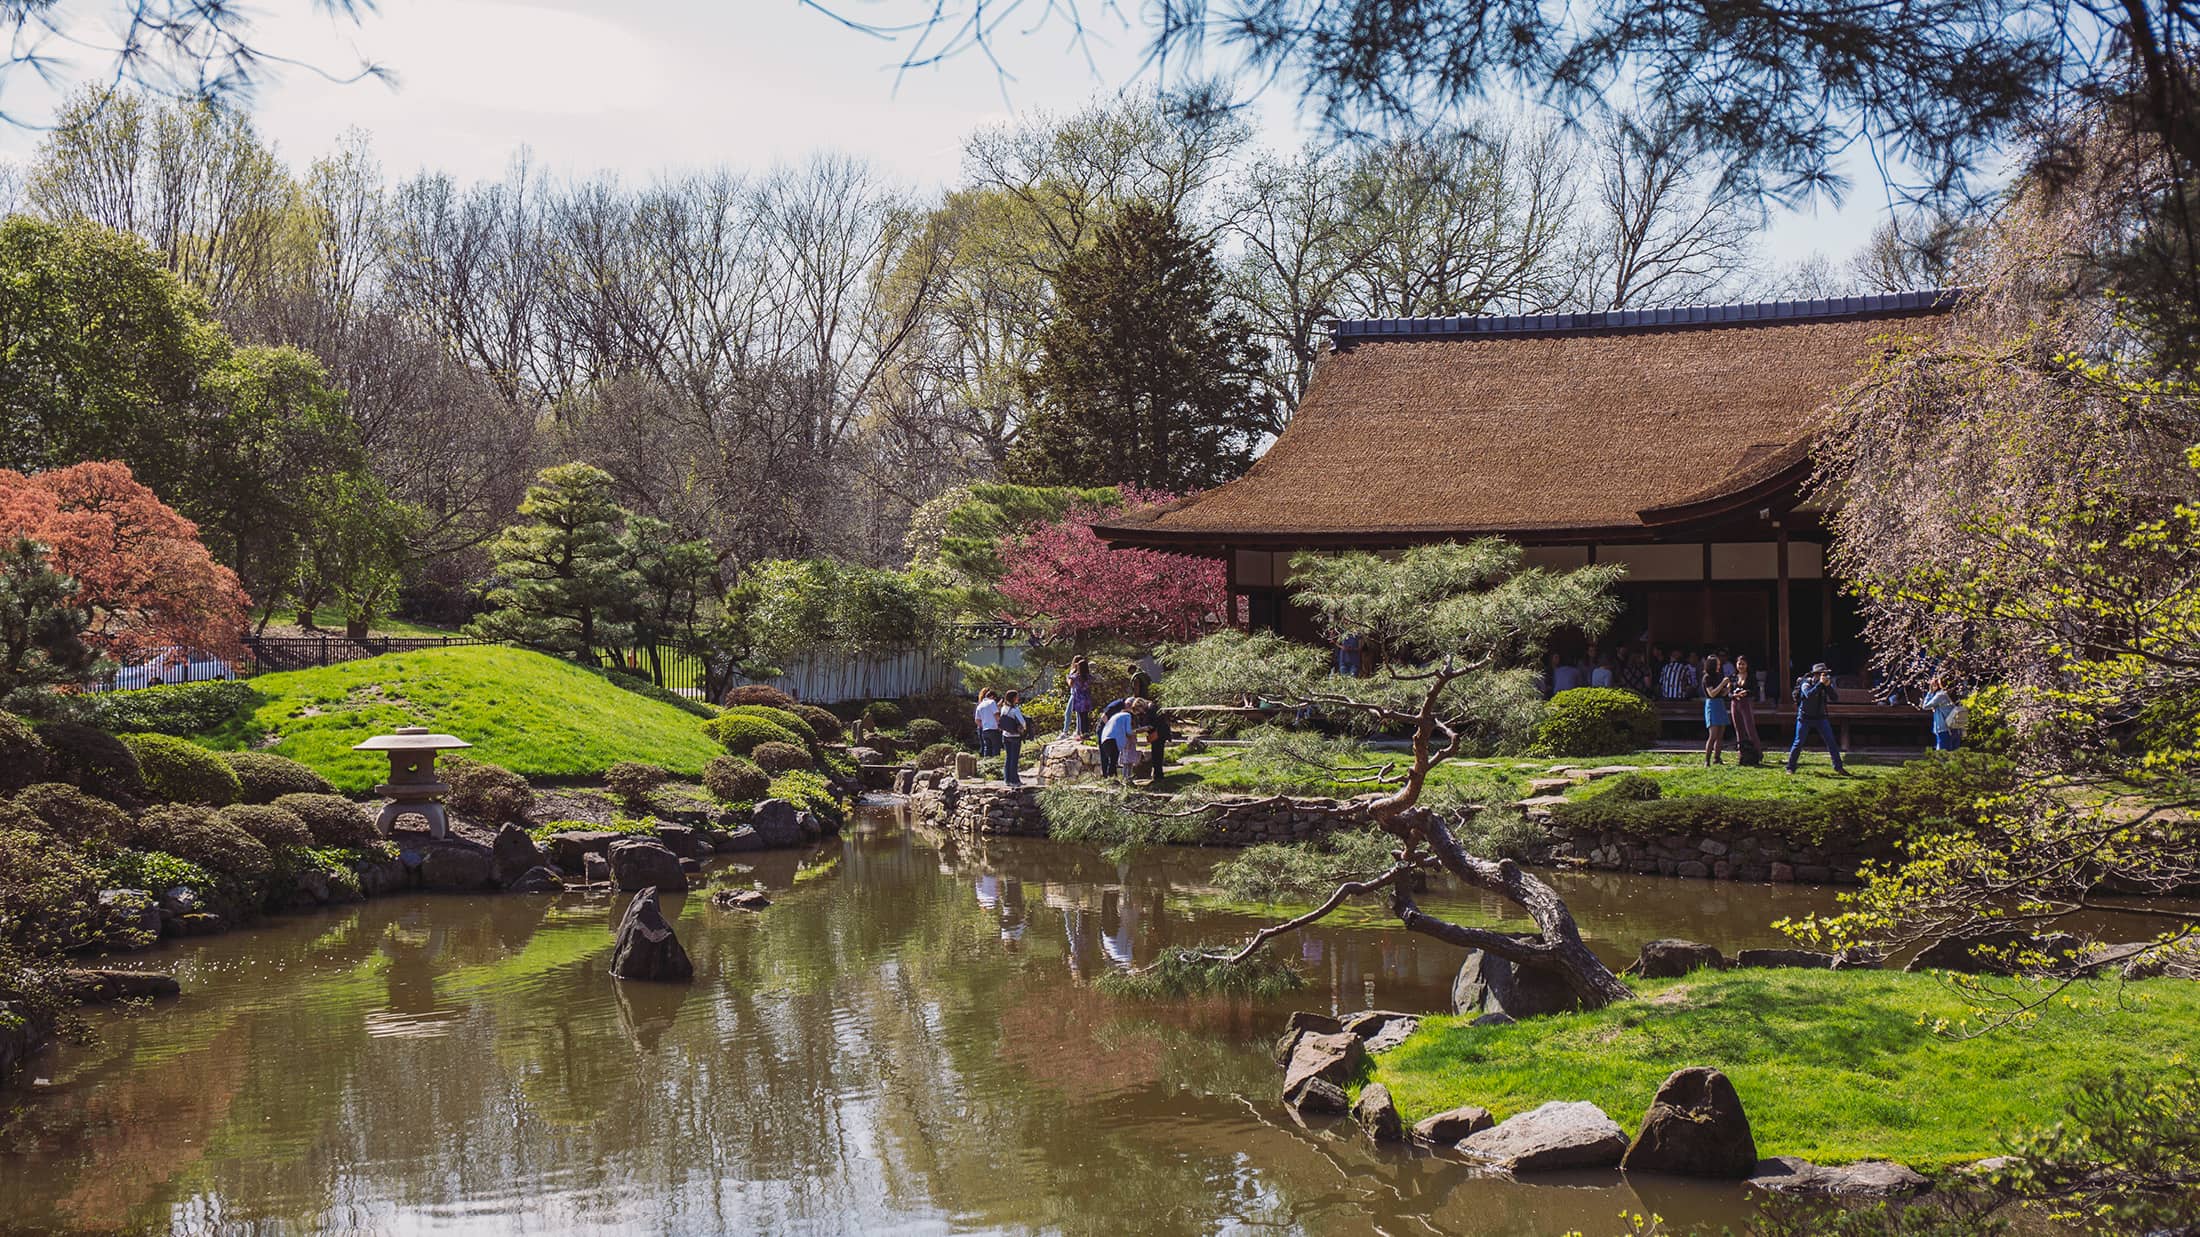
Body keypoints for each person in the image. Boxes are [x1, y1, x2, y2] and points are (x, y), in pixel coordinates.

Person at [1786, 662, 1848, 774]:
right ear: (1815, 674)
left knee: (1831, 741)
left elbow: (1834, 698)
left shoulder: (1825, 684)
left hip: (1820, 717)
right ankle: (1790, 767)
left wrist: (1828, 686)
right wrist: (1820, 684)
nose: (1824, 676)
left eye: (1825, 674)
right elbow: (1809, 695)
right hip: (1804, 717)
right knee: (1798, 742)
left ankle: (1838, 767)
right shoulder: (1806, 683)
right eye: (1821, 674)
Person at [1730, 654, 1763, 760]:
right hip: (1735, 703)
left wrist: (1746, 692)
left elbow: (1755, 691)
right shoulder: (1733, 677)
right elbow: (1728, 693)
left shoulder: (1751, 677)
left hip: (1746, 703)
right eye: (1739, 664)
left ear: (1747, 665)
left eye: (1743, 664)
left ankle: (1757, 752)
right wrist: (1733, 695)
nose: (1741, 666)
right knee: (1738, 728)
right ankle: (1742, 753)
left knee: (1750, 728)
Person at [1701, 654, 1732, 766]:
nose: (1719, 666)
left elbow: (1722, 693)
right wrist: (1722, 683)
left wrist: (1728, 687)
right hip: (1712, 704)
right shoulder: (1707, 677)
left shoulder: (1719, 675)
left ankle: (1717, 758)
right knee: (1713, 734)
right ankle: (1707, 760)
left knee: (1720, 734)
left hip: (1720, 703)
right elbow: (1712, 693)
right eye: (1717, 664)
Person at [1921, 674, 1963, 751]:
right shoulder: (1957, 693)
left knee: (1943, 755)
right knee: (1954, 754)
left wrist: (1930, 691)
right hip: (1956, 727)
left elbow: (1925, 706)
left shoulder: (1941, 695)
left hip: (1944, 728)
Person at [1099, 700, 1138, 783]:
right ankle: (1111, 780)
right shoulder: (1127, 715)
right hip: (1112, 739)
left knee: (1111, 760)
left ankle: (1112, 779)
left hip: (1104, 737)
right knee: (1113, 760)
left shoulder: (1117, 715)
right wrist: (1138, 731)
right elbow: (1128, 731)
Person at [998, 690, 1028, 785]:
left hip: (1005, 735)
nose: (1018, 698)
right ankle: (1015, 780)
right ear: (1013, 698)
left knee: (1008, 758)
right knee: (1014, 759)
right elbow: (1022, 722)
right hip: (1015, 736)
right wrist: (1024, 728)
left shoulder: (1004, 708)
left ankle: (1007, 779)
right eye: (1017, 696)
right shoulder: (1015, 709)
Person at [1140, 700, 1172, 786]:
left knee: (1156, 754)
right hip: (1161, 733)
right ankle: (1158, 774)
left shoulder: (1151, 710)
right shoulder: (1153, 707)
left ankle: (1158, 775)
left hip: (1158, 734)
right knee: (1158, 754)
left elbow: (1148, 723)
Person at [1064, 656, 1093, 738]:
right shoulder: (1089, 677)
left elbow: (1070, 683)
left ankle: (1081, 733)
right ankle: (1086, 732)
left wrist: (1067, 678)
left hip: (1079, 699)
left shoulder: (1076, 676)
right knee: (1085, 717)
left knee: (1080, 716)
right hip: (1086, 698)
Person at [974, 688, 1001, 758]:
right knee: (996, 748)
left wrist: (984, 726)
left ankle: (986, 763)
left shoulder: (980, 705)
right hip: (993, 728)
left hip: (985, 730)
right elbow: (996, 715)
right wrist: (1000, 725)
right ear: (992, 697)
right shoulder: (992, 702)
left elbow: (977, 720)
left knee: (987, 748)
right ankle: (995, 763)